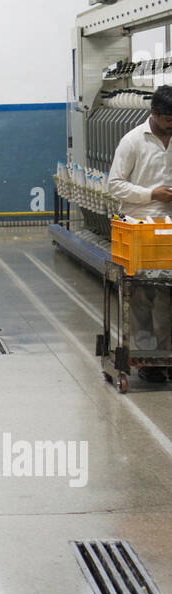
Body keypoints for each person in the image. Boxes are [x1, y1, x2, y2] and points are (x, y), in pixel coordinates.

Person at [108, 83, 172, 382]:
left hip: (169, 229)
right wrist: (151, 195)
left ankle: (165, 356)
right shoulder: (133, 141)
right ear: (154, 113)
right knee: (141, 297)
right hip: (138, 228)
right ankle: (147, 360)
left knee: (166, 296)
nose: (171, 125)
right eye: (167, 119)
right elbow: (115, 185)